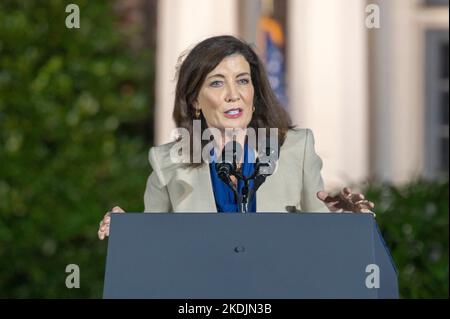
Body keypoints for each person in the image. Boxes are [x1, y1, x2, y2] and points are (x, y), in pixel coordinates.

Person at [98, 35, 374, 240]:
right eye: (217, 82)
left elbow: (321, 233)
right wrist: (127, 231)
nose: (234, 94)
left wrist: (346, 221)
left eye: (242, 80)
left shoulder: (295, 149)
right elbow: (153, 240)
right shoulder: (167, 162)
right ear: (195, 99)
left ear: (254, 92)